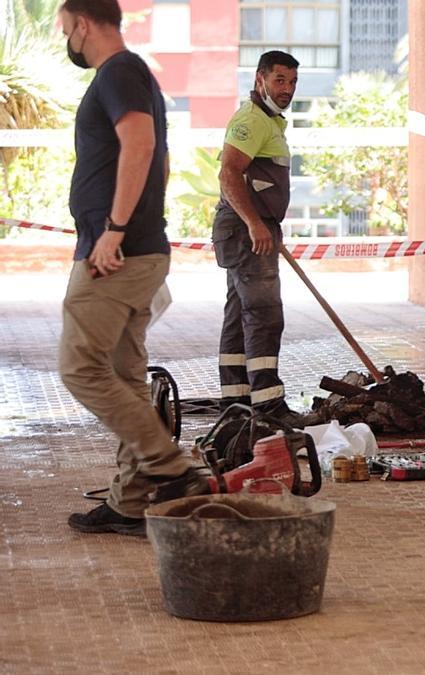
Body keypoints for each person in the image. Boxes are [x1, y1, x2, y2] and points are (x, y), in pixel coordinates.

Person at [59, 0, 208, 536]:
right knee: (123, 375)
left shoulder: (118, 71)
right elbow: (159, 158)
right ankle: (131, 501)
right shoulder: (133, 74)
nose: (66, 41)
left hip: (115, 254)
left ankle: (170, 469)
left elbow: (140, 144)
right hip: (137, 249)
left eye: (64, 30)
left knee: (80, 368)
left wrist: (116, 229)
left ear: (81, 24)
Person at [212, 51, 300, 421]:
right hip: (247, 231)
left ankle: (237, 400)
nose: (287, 90)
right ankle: (269, 404)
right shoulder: (251, 120)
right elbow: (229, 174)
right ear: (260, 79)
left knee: (240, 313)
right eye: (280, 80)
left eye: (293, 82)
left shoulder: (270, 120)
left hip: (251, 230)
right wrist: (255, 224)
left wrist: (262, 225)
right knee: (264, 314)